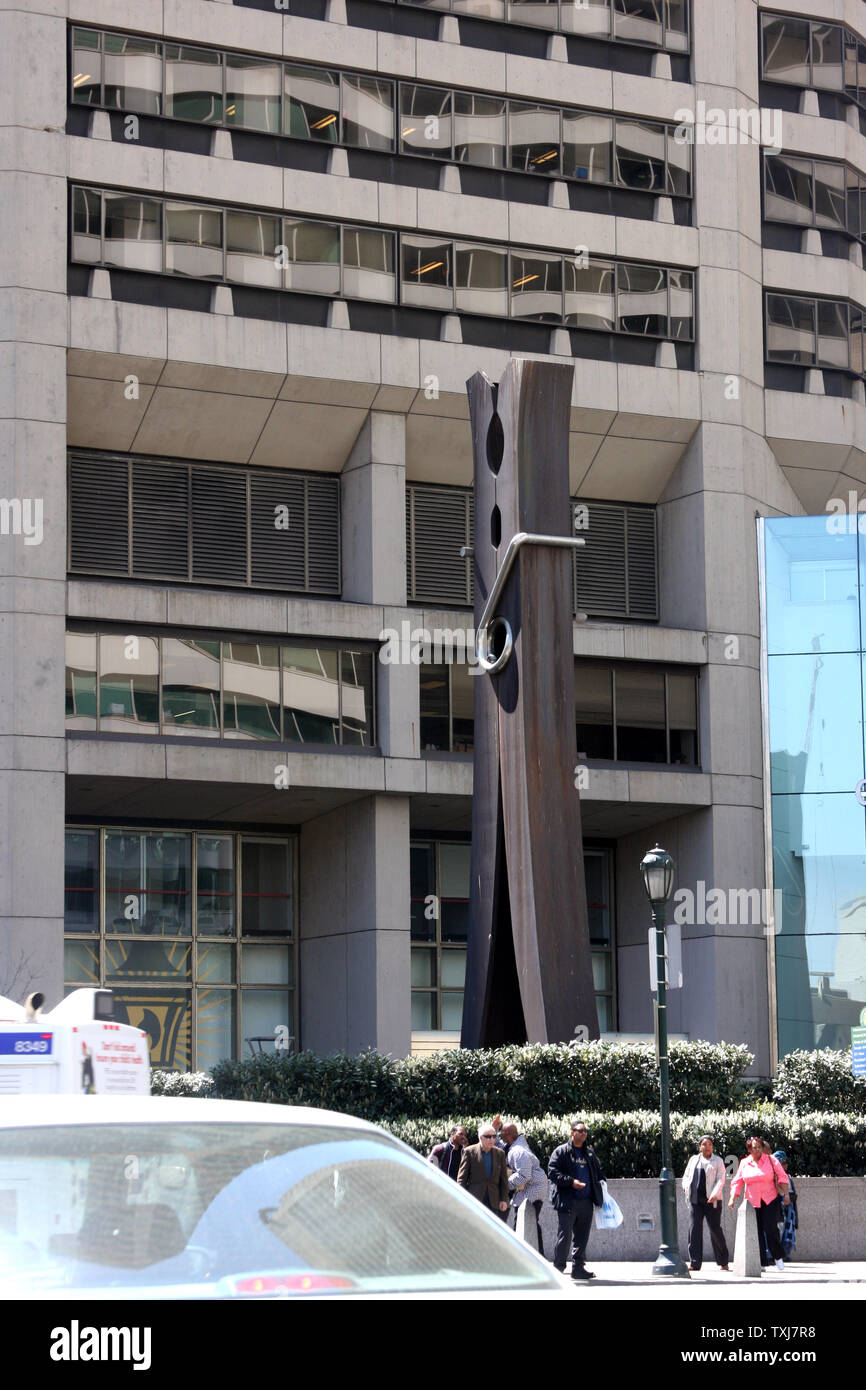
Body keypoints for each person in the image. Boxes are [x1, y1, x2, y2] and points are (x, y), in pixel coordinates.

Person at [547, 1119, 605, 1280]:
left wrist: (601, 1185)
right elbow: (552, 1173)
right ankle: (558, 1268)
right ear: (572, 1132)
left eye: (585, 1131)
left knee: (582, 1237)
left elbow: (598, 1172)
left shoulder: (590, 1153)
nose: (584, 1134)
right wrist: (571, 1182)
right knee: (564, 1236)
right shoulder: (561, 1152)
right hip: (568, 1201)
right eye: (580, 1131)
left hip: (586, 1201)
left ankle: (578, 1268)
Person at [728, 1135, 789, 1270]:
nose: (757, 1150)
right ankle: (760, 1262)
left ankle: (778, 1256)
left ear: (763, 1148)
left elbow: (782, 1176)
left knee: (770, 1228)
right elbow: (738, 1181)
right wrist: (733, 1197)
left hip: (770, 1199)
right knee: (755, 1231)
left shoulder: (771, 1160)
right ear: (749, 1149)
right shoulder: (744, 1162)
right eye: (754, 1148)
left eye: (759, 1147)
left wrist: (785, 1193)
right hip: (752, 1200)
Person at [681, 1135, 729, 1271]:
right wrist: (685, 1187)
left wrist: (714, 1194)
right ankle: (694, 1263)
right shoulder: (693, 1160)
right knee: (694, 1229)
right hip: (695, 1200)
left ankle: (723, 1261)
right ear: (699, 1147)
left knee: (715, 1229)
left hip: (712, 1201)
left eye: (709, 1144)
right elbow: (686, 1176)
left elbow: (721, 1179)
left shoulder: (718, 1161)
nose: (707, 1147)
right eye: (704, 1144)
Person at [501, 1121, 548, 1253]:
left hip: (533, 1189)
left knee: (523, 1222)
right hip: (533, 1187)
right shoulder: (517, 1146)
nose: (500, 1137)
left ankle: (533, 1256)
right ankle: (539, 1256)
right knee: (531, 1222)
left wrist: (504, 1184)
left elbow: (523, 1175)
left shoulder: (518, 1151)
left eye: (502, 1134)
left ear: (509, 1135)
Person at [457, 1123, 510, 1219]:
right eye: (488, 1137)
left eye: (494, 1136)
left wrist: (504, 1199)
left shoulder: (500, 1154)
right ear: (480, 1137)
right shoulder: (469, 1152)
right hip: (474, 1199)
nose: (492, 1139)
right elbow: (462, 1178)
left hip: (493, 1200)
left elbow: (504, 1180)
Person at [773, 1150, 798, 1261]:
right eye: (782, 1163)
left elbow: (794, 1195)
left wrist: (789, 1198)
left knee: (787, 1232)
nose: (785, 1165)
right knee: (776, 1231)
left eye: (785, 1162)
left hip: (788, 1212)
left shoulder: (788, 1178)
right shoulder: (772, 1177)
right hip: (777, 1211)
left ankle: (785, 1253)